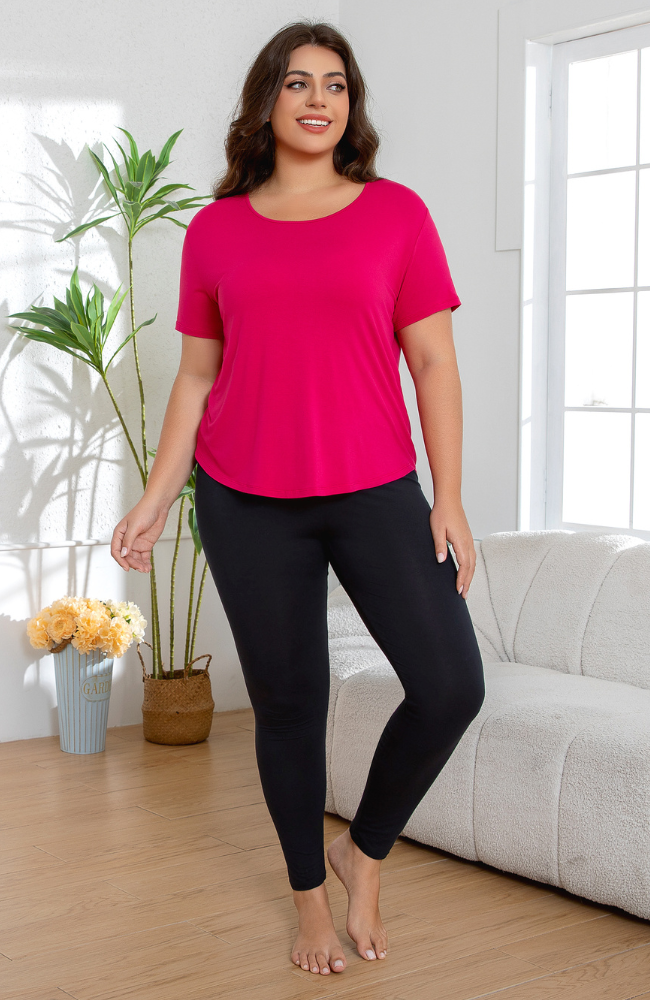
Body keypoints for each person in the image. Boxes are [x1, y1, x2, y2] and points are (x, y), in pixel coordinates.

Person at [111, 19, 485, 979]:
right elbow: (197, 377)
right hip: (244, 500)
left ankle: (363, 853)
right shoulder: (216, 229)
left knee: (451, 685)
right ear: (266, 101)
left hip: (376, 491)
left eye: (336, 84)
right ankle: (309, 901)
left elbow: (434, 362)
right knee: (289, 707)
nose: (319, 99)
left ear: (351, 106)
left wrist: (448, 496)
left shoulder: (396, 214)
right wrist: (157, 498)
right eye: (298, 83)